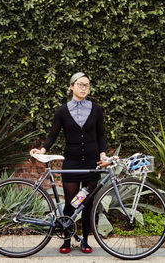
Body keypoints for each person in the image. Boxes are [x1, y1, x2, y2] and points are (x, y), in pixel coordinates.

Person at [30, 72, 107, 254]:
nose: (84, 88)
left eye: (87, 85)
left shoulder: (96, 109)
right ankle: (66, 240)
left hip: (91, 162)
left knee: (87, 203)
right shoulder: (62, 111)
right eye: (80, 85)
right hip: (71, 162)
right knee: (71, 203)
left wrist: (103, 154)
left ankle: (85, 242)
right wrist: (42, 150)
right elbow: (52, 135)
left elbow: (101, 134)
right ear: (71, 86)